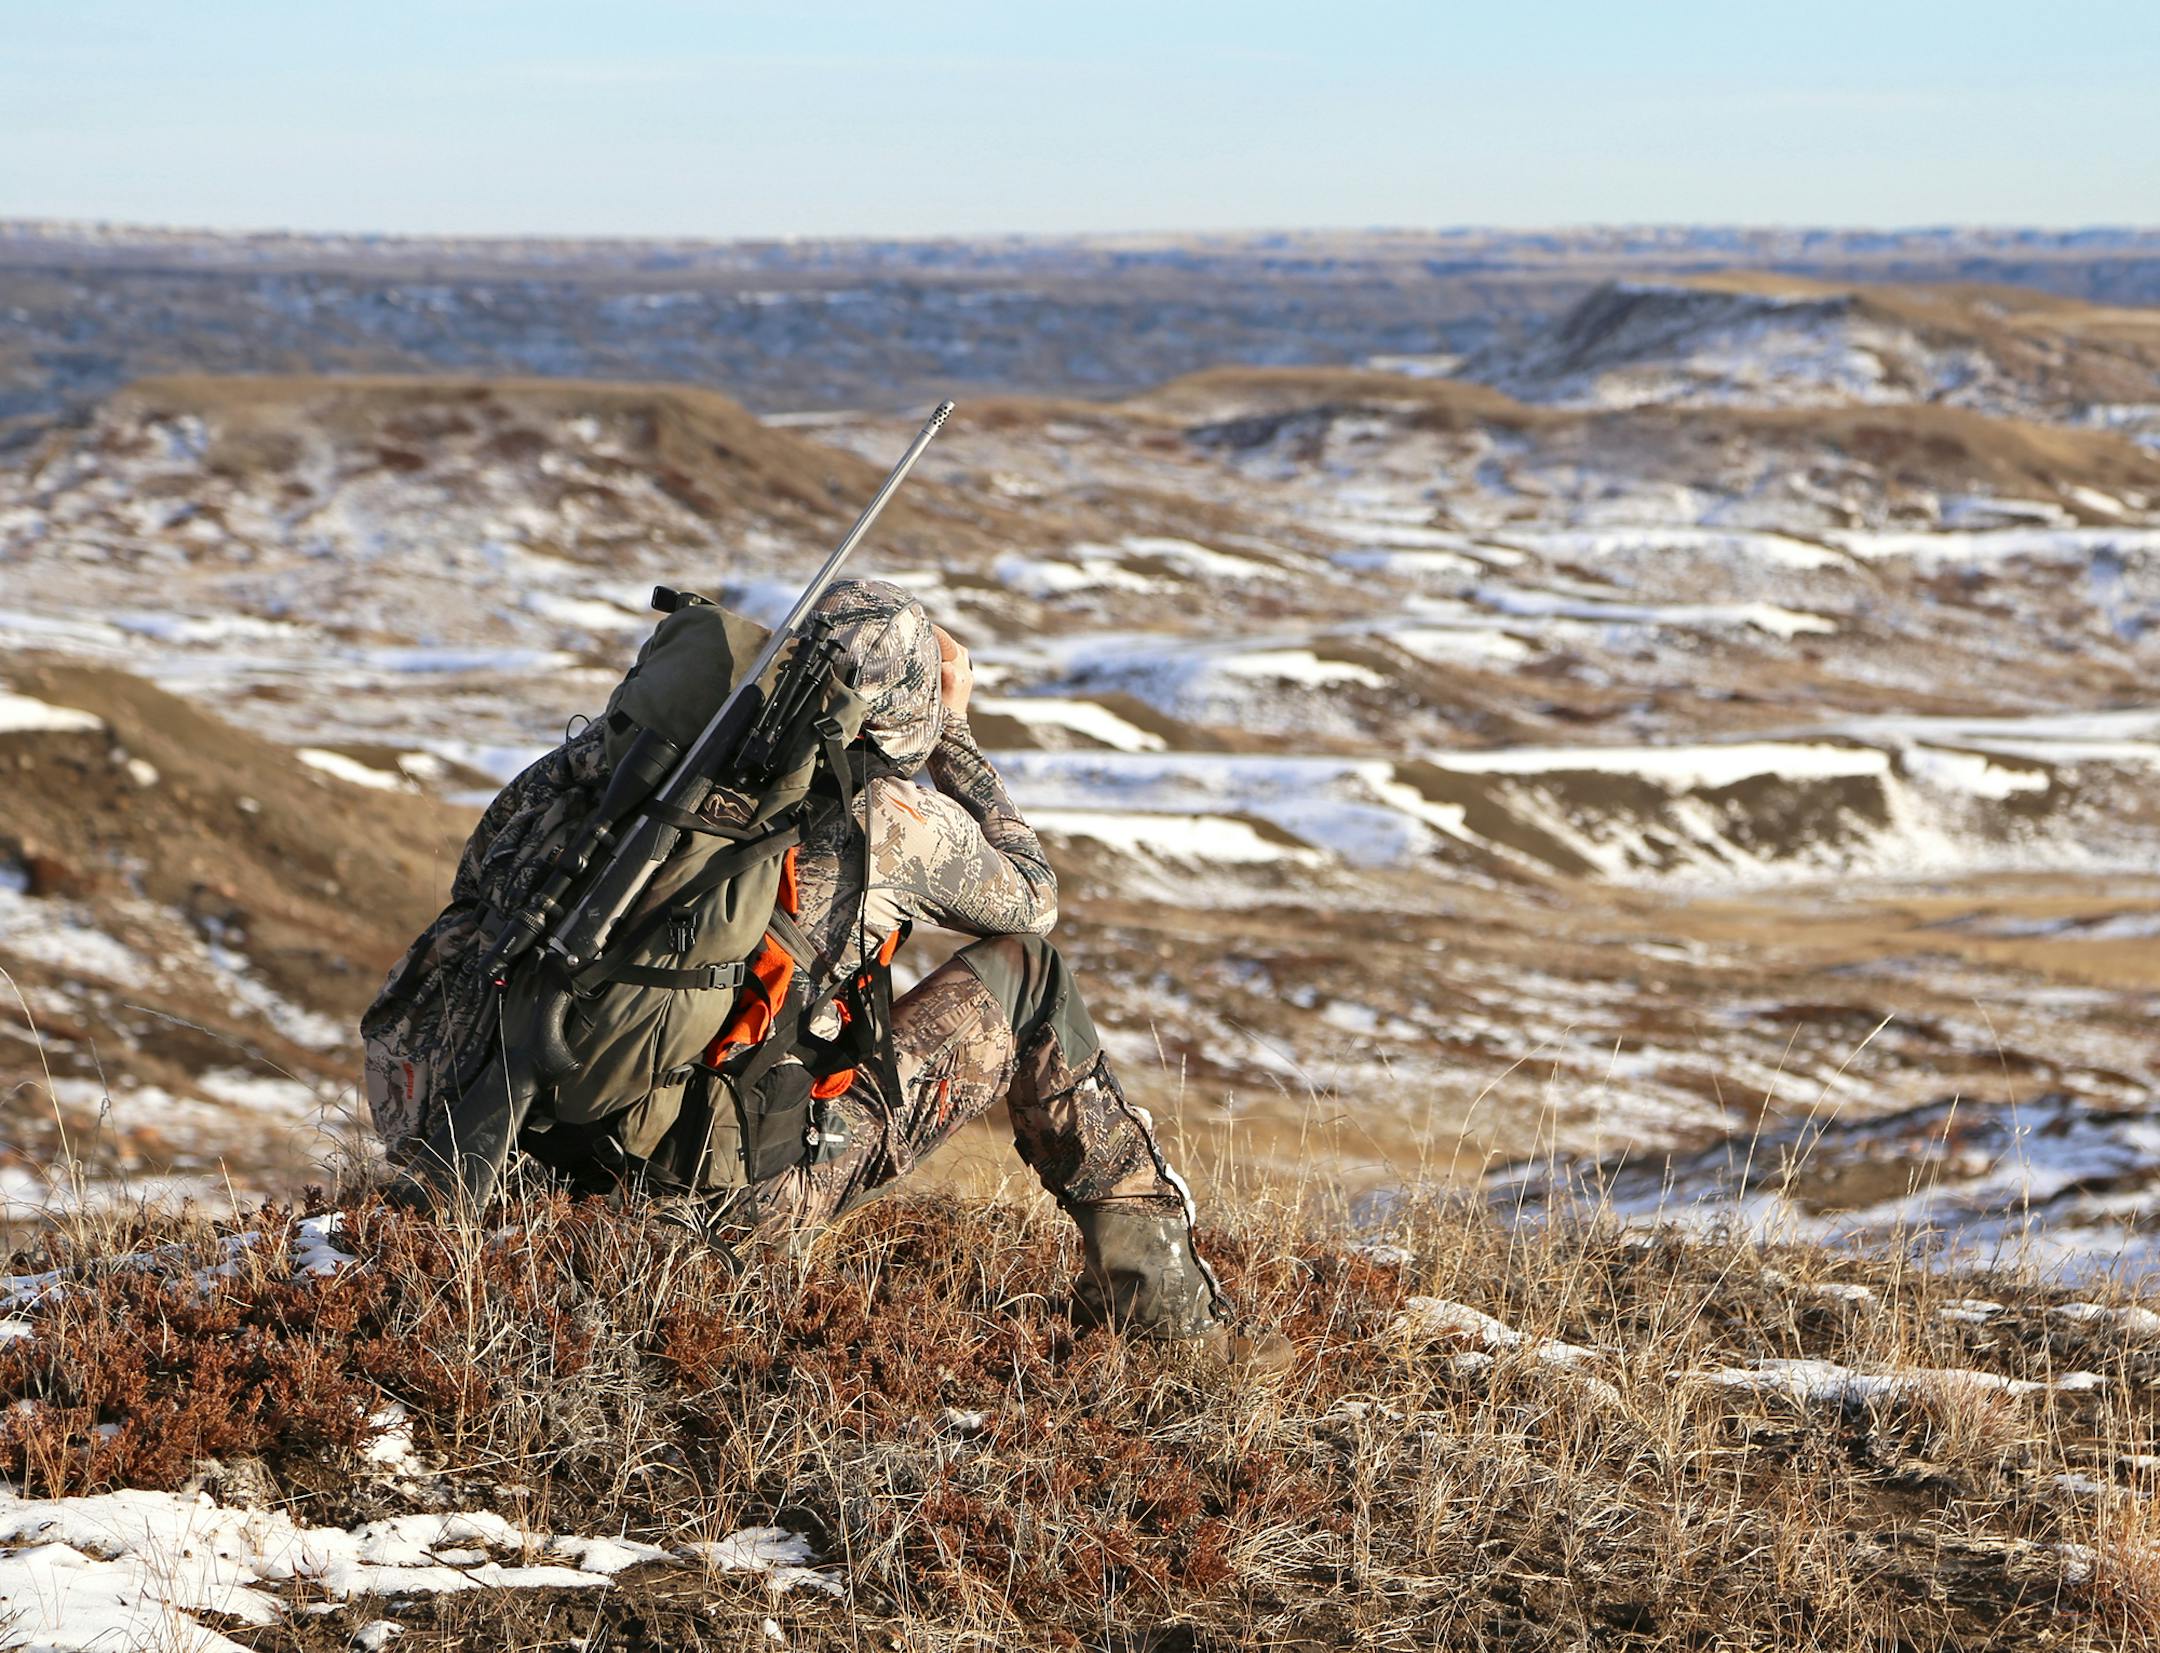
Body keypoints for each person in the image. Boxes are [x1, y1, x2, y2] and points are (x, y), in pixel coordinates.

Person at [703, 577, 1285, 1366]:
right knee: (1031, 976)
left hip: (581, 1140)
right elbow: (1033, 899)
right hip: (741, 1194)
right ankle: (1169, 1322)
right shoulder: (893, 821)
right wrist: (953, 729)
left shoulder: (634, 775)